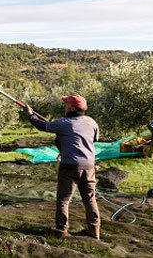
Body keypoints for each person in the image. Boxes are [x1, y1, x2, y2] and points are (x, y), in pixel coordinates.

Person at [24, 94, 100, 240]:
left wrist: (30, 114)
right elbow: (93, 139)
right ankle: (94, 230)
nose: (64, 106)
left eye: (66, 104)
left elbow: (43, 126)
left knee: (64, 199)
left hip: (70, 166)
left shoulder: (64, 123)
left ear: (72, 108)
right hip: (89, 166)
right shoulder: (92, 122)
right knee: (90, 199)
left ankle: (61, 229)